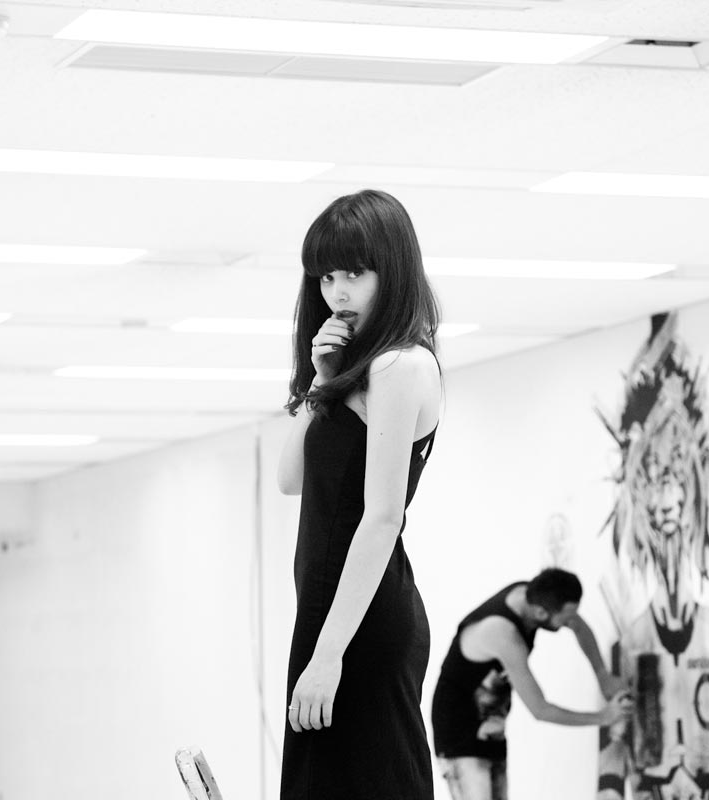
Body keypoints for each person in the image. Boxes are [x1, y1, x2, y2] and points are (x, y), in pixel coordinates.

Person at [277, 189, 443, 800]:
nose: (338, 293)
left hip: (360, 621)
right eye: (327, 277)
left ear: (391, 270)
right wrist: (321, 384)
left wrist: (329, 655)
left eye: (354, 273)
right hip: (327, 610)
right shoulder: (358, 370)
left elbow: (382, 517)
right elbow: (289, 479)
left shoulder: (400, 366)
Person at [431, 568, 631, 800]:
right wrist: (604, 717)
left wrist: (602, 675)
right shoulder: (504, 635)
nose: (569, 621)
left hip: (491, 730)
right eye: (564, 618)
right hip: (458, 737)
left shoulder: (535, 596)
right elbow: (541, 710)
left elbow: (578, 625)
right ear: (540, 612)